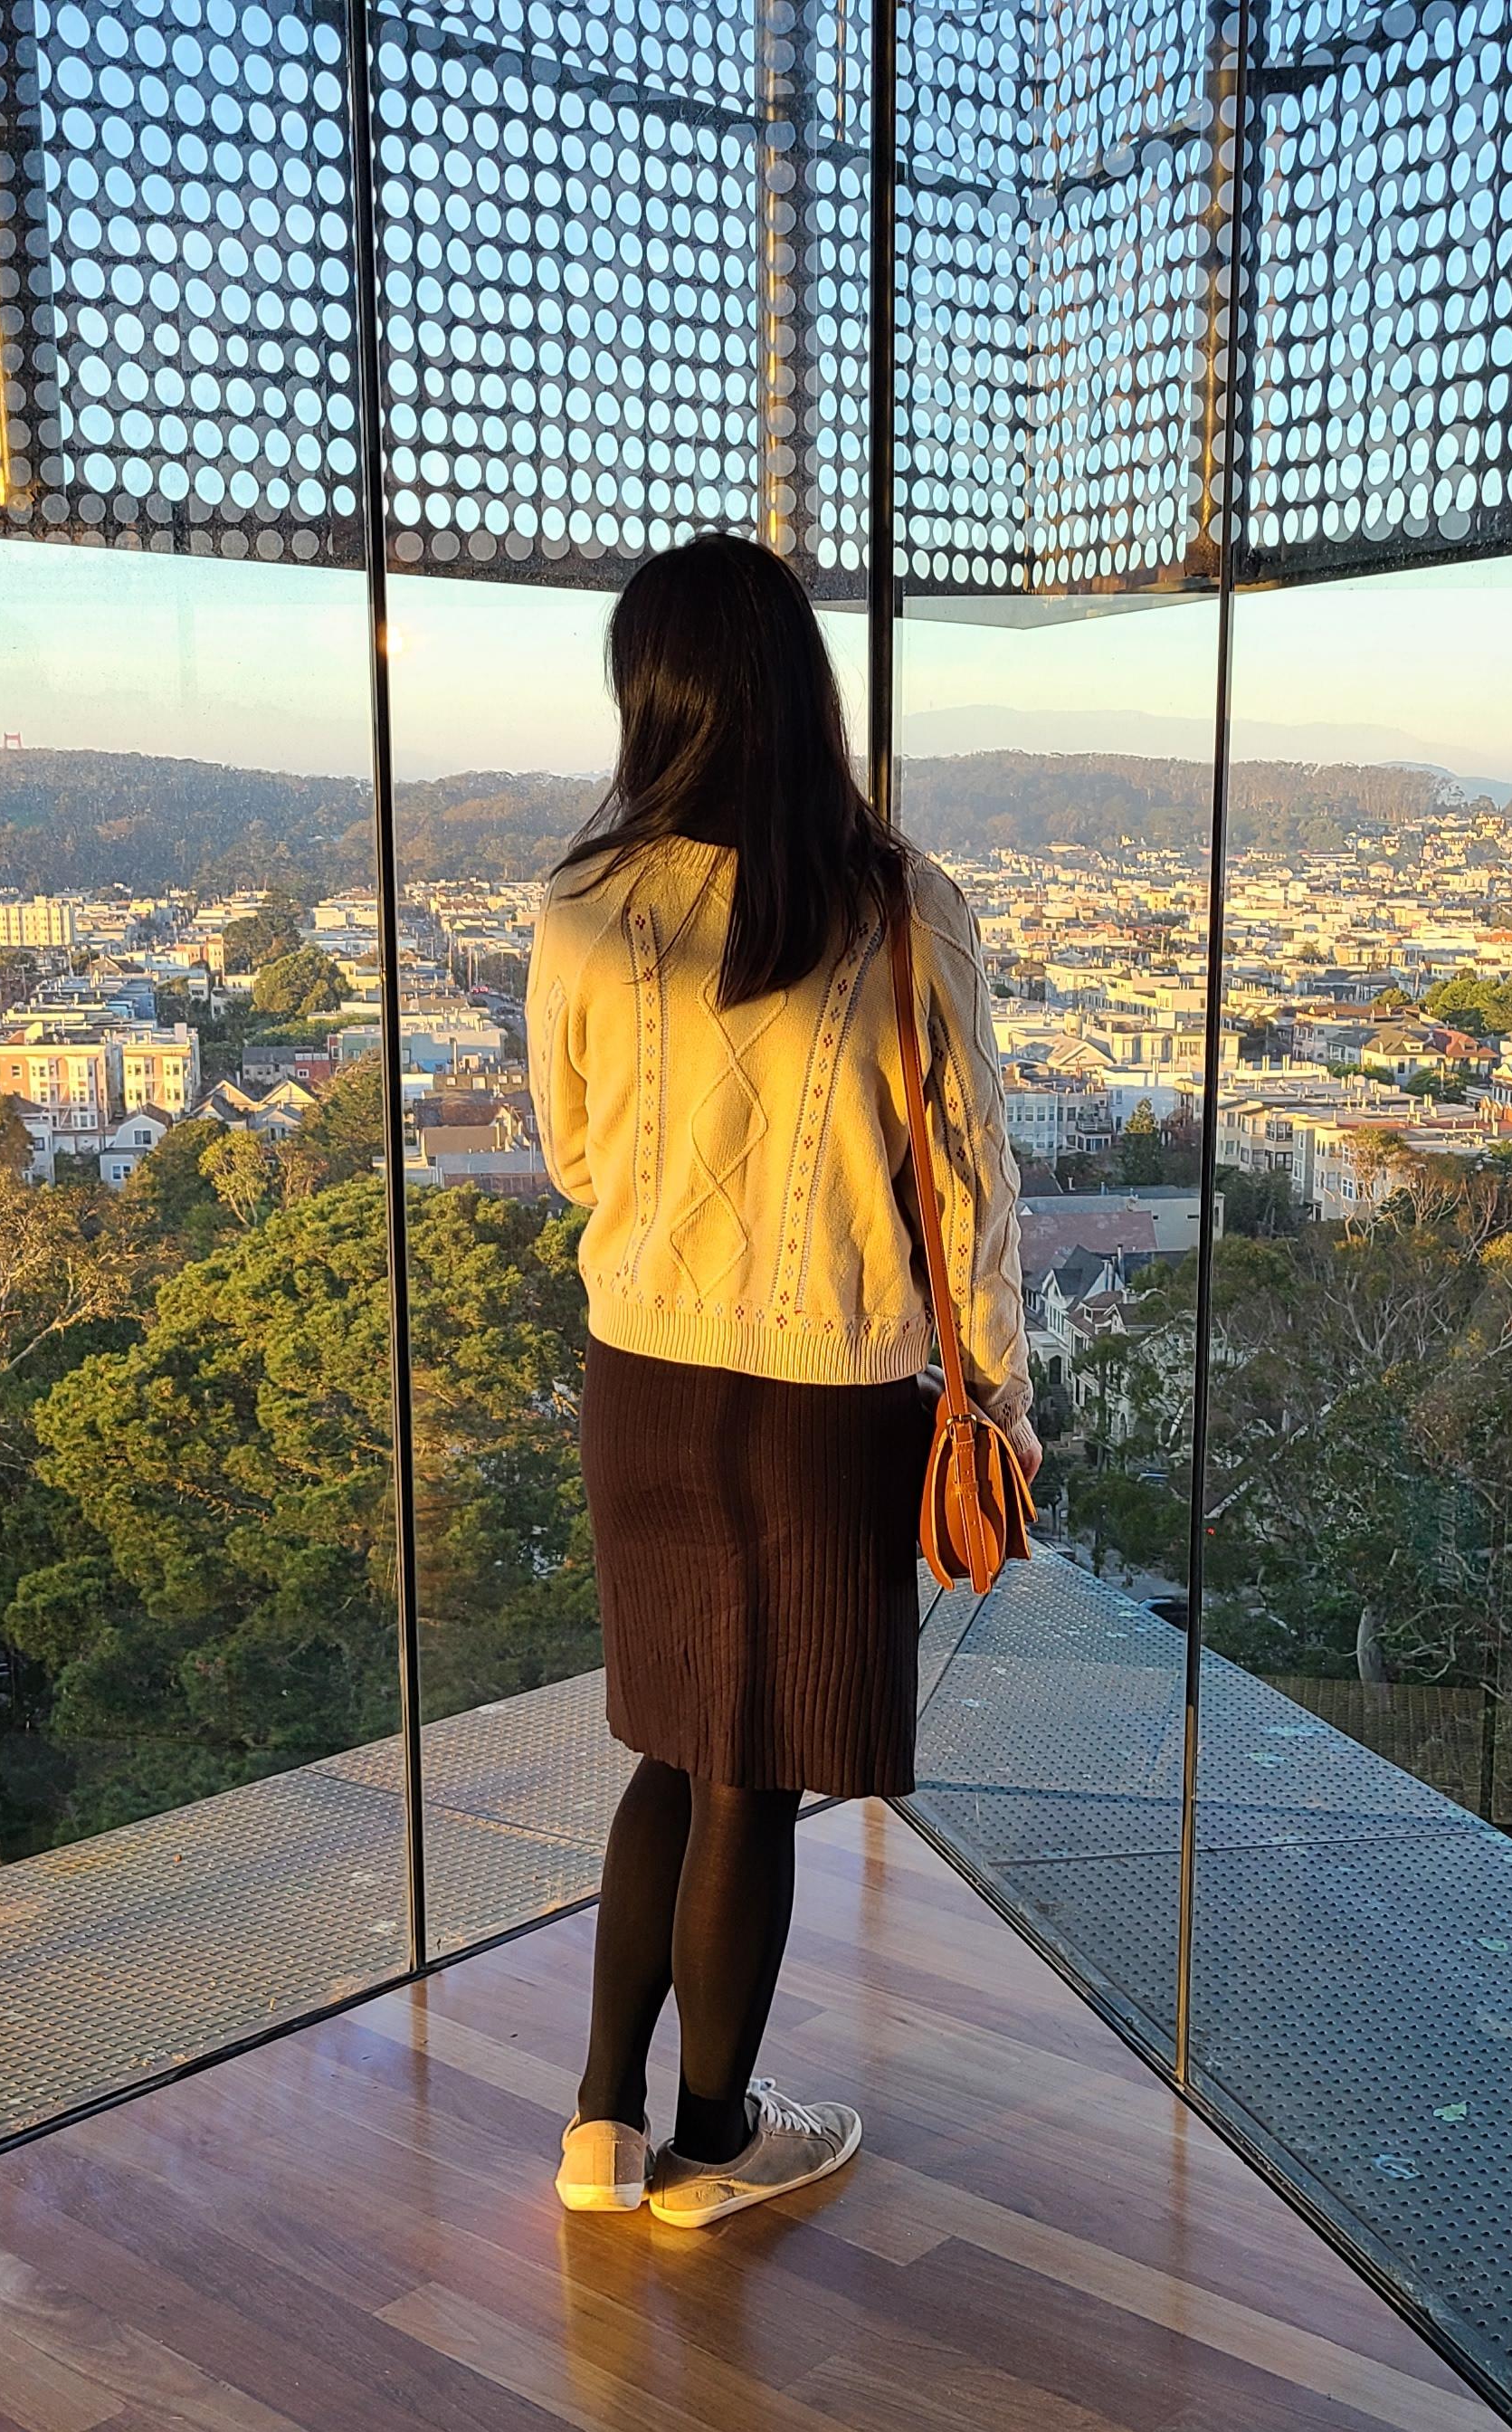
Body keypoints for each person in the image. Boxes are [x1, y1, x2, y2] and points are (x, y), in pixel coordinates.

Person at [528, 531, 1034, 2230]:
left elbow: (573, 1159)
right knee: (753, 1771)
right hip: (826, 1388)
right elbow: (969, 1183)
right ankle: (719, 2139)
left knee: (669, 1744)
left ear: (650, 694)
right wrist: (1005, 1401)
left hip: (644, 1380)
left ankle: (602, 2130)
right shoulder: (899, 904)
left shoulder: (584, 908)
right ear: (804, 692)